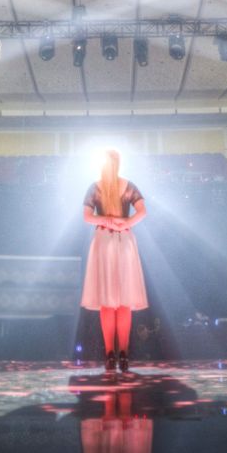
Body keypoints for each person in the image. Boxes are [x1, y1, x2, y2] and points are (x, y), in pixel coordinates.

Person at [80, 149, 148, 376]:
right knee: (119, 302)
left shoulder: (99, 186)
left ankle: (115, 353)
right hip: (118, 239)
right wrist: (123, 222)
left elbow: (88, 216)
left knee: (113, 302)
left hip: (109, 240)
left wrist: (112, 221)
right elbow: (142, 211)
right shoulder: (121, 185)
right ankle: (119, 354)